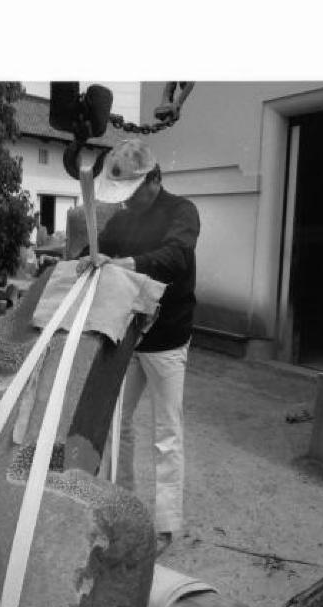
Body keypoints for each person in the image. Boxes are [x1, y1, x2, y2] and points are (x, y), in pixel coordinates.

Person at [77, 138, 200, 552]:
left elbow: (176, 257)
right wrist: (82, 258)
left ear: (154, 179)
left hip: (167, 339)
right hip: (128, 333)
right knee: (117, 423)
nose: (129, 201)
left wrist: (125, 264)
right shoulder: (126, 217)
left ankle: (166, 525)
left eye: (135, 190)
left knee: (167, 432)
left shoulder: (183, 212)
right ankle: (121, 505)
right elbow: (100, 248)